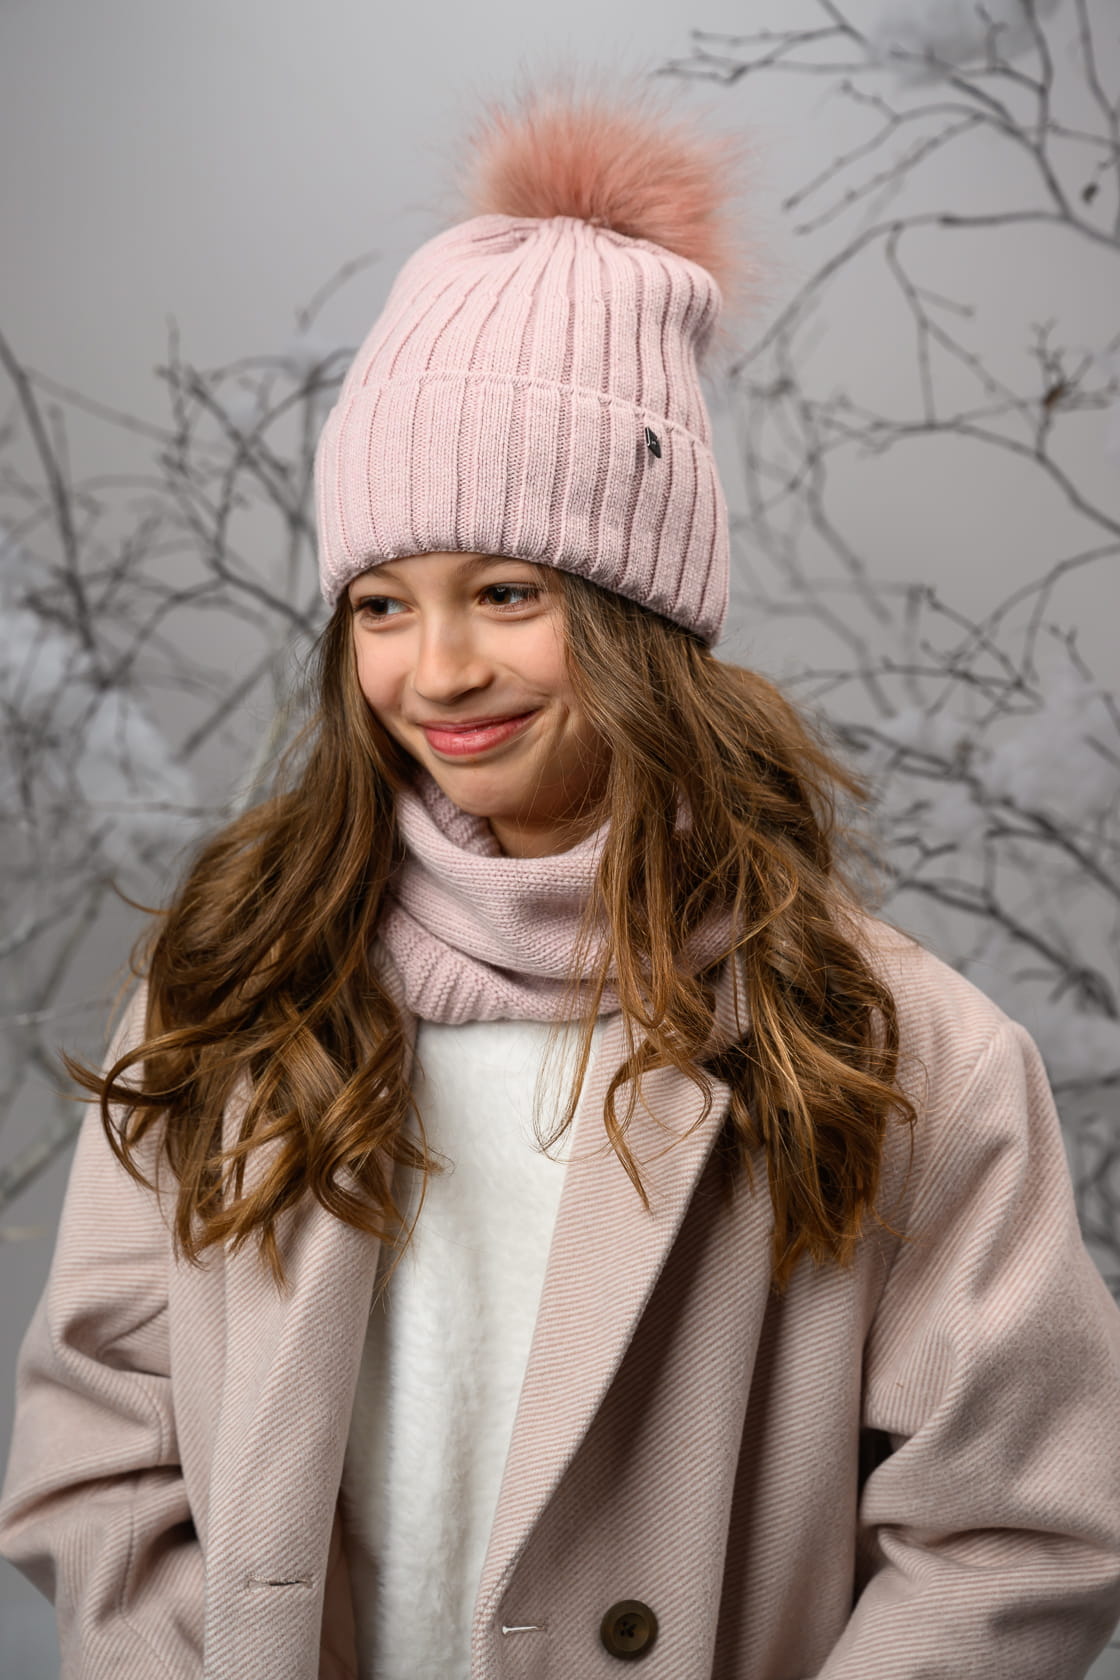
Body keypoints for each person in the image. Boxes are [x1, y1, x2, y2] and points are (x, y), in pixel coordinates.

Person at [2, 84, 1119, 1680]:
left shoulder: (890, 1046)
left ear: (637, 610)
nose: (438, 669)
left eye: (508, 591)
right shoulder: (241, 987)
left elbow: (1024, 1528)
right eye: (382, 603)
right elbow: (100, 1436)